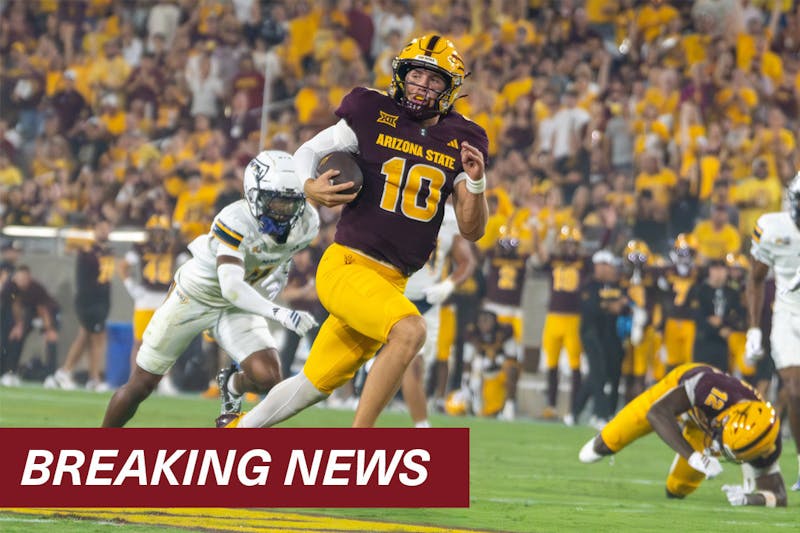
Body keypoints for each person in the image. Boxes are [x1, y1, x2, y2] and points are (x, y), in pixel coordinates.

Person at [220, 34, 488, 429]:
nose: (422, 86)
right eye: (416, 75)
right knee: (410, 330)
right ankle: (357, 447)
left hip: (391, 282)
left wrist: (477, 184)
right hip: (347, 265)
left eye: (435, 81)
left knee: (313, 384)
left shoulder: (463, 137)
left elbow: (472, 230)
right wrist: (307, 185)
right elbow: (309, 150)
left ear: (450, 90)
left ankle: (237, 431)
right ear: (401, 74)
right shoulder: (372, 110)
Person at [102, 150, 319, 427]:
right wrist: (280, 313)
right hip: (195, 297)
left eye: (291, 203)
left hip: (236, 305)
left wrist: (283, 267)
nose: (284, 211)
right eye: (276, 201)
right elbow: (231, 287)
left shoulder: (307, 222)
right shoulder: (235, 220)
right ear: (254, 195)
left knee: (269, 377)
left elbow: (288, 248)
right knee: (142, 384)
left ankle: (232, 384)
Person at [579, 363, 787, 508]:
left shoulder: (765, 437)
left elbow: (780, 497)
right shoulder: (710, 389)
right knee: (601, 447)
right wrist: (694, 457)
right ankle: (602, 442)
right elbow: (657, 413)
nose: (723, 450)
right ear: (726, 419)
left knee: (677, 489)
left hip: (704, 429)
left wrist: (749, 499)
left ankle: (684, 469)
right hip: (674, 397)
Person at [746, 172, 800, 491]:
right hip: (788, 316)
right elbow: (755, 278)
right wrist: (754, 328)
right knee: (793, 390)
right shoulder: (773, 228)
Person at [402, 202, 476, 427]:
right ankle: (422, 427)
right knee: (410, 364)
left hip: (428, 303)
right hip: (398, 296)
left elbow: (467, 262)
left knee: (417, 368)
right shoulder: (403, 202)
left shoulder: (450, 218)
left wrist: (448, 285)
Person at [47, 218, 115, 391]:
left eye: (107, 227)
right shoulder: (87, 249)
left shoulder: (106, 250)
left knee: (85, 336)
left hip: (101, 300)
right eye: (101, 227)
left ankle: (67, 372)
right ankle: (92, 378)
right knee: (97, 338)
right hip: (89, 300)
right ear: (94, 229)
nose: (105, 231)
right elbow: (69, 246)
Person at [571, 249, 628, 428]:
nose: (611, 269)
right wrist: (610, 306)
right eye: (607, 265)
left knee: (599, 374)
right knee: (599, 373)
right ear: (599, 266)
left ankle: (574, 412)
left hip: (607, 335)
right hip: (590, 333)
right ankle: (600, 414)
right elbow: (590, 307)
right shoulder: (589, 285)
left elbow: (623, 306)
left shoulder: (612, 286)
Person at [1, 266, 61, 385]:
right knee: (16, 336)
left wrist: (48, 328)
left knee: (51, 338)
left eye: (25, 278)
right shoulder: (10, 286)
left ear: (29, 278)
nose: (22, 281)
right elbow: (16, 305)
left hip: (48, 313)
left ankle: (51, 376)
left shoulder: (35, 288)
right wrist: (19, 325)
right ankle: (9, 372)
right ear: (15, 277)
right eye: (20, 278)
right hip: (29, 314)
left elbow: (43, 309)